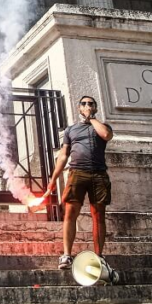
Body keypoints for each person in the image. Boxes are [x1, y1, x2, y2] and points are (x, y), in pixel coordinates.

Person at [47, 95, 114, 271]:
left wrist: (91, 118)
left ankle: (99, 256)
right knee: (70, 212)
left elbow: (106, 135)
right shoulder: (71, 130)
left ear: (95, 108)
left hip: (98, 174)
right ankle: (66, 255)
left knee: (98, 214)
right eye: (83, 104)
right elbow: (63, 156)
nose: (87, 106)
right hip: (77, 173)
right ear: (79, 108)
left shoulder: (102, 126)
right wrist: (53, 179)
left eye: (90, 104)